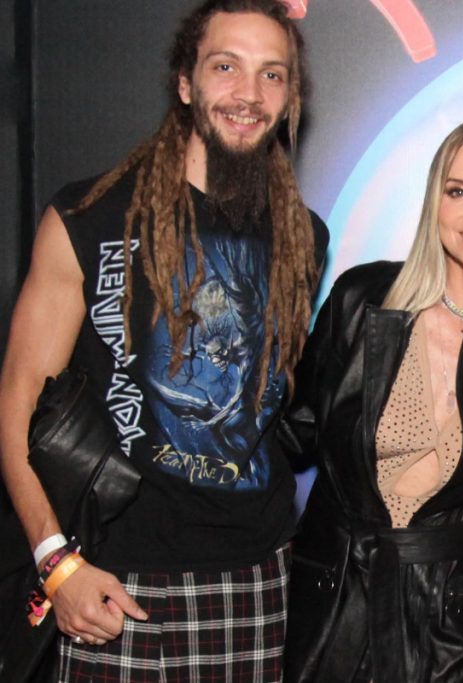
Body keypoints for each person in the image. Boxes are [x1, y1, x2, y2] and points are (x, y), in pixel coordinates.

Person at [0, 0, 328, 679]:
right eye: (226, 67)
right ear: (185, 81)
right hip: (114, 581)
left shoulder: (304, 236)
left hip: (258, 580)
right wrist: (55, 561)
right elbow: (18, 397)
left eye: (272, 75)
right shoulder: (88, 217)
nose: (248, 94)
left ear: (291, 95)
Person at [281, 116, 463, 682]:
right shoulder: (362, 301)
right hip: (331, 609)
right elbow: (288, 432)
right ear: (436, 204)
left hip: (455, 636)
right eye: (458, 191)